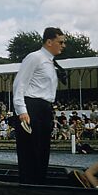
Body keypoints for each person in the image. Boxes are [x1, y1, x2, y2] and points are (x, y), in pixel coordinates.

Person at [12, 27, 66, 185]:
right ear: (49, 42)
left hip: (44, 108)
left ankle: (39, 183)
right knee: (30, 151)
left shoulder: (50, 61)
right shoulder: (35, 57)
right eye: (60, 42)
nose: (63, 45)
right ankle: (29, 185)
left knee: (42, 150)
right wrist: (22, 111)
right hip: (31, 107)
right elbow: (19, 84)